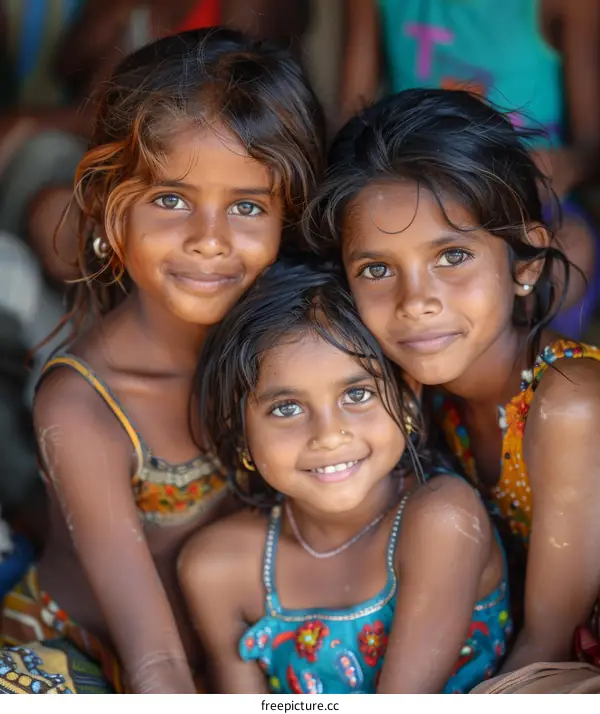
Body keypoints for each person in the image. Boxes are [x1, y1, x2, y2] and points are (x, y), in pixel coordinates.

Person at [0, 27, 325, 694]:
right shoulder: (84, 402)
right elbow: (154, 658)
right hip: (83, 654)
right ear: (109, 213)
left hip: (233, 647)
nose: (209, 241)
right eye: (171, 200)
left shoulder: (300, 351)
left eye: (246, 206)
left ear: (286, 217)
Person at [310, 87, 600, 674]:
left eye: (453, 257)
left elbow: (545, 651)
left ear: (527, 263)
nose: (416, 301)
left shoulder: (570, 400)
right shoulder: (418, 395)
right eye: (376, 269)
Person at [178, 259, 512, 694]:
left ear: (407, 399)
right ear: (240, 431)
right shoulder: (216, 568)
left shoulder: (441, 519)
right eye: (286, 408)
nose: (329, 435)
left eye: (357, 394)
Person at [339, 0, 600, 338]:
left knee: (570, 252)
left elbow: (591, 146)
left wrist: (560, 165)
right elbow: (349, 121)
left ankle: (525, 376)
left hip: (527, 197)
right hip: (413, 195)